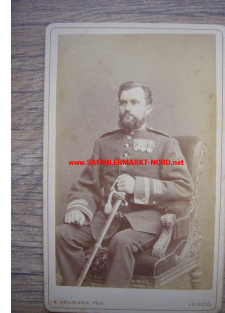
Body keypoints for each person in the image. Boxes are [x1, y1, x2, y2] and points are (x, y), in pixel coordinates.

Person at [56, 81, 194, 288]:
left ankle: (114, 301)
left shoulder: (165, 144)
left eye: (134, 102)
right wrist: (78, 208)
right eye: (123, 103)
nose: (127, 108)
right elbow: (87, 185)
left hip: (147, 221)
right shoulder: (104, 143)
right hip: (107, 219)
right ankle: (80, 298)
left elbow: (183, 187)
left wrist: (137, 186)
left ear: (148, 109)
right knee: (62, 235)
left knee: (122, 241)